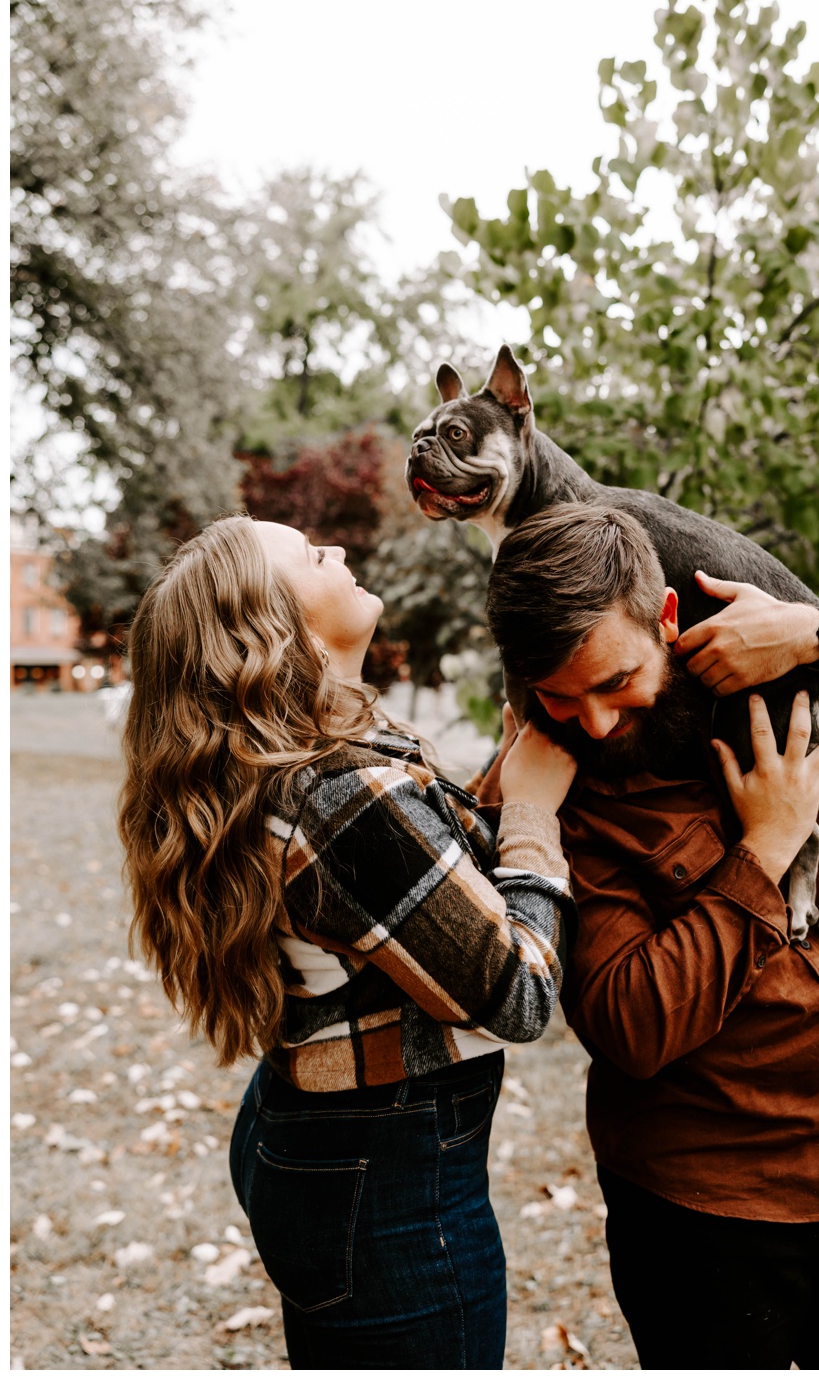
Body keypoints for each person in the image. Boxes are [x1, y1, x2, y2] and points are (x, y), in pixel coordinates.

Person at [480, 502, 819, 1369]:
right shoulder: (548, 794)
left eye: (613, 683)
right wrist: (768, 844)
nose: (593, 722)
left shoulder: (760, 673)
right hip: (705, 1213)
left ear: (667, 621)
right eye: (558, 698)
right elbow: (632, 1023)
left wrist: (818, 635)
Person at [118, 515, 579, 1367]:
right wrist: (533, 815)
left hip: (314, 1143)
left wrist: (490, 797)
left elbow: (406, 891)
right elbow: (518, 995)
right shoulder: (341, 795)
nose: (335, 548)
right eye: (308, 555)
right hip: (390, 1191)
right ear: (269, 627)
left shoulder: (288, 768)